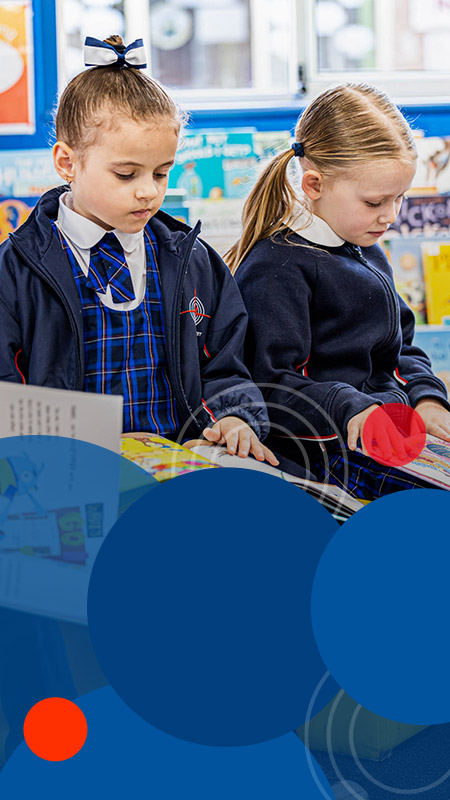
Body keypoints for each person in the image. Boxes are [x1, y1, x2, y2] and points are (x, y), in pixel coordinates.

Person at [0, 34, 277, 466]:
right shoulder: (15, 271)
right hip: (67, 470)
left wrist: (235, 417)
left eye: (162, 173)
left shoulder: (191, 260)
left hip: (184, 458)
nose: (148, 192)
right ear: (67, 163)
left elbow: (226, 365)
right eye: (126, 175)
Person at [227, 82, 450, 498]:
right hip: (330, 448)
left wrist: (427, 398)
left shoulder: (365, 246)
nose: (391, 216)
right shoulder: (278, 265)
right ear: (313, 185)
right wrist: (352, 407)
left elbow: (400, 348)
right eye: (374, 202)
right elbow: (269, 384)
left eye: (399, 198)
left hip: (394, 425)